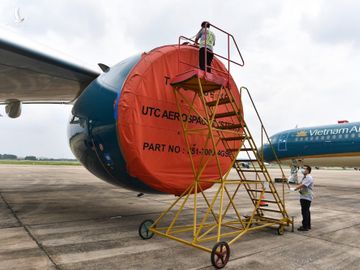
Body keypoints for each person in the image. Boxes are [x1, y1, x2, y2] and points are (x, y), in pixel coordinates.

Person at [290, 165, 314, 231]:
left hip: (306, 197)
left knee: (304, 211)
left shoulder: (309, 177)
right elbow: (300, 183)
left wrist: (295, 189)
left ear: (308, 170)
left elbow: (303, 185)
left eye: (304, 169)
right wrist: (294, 175)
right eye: (302, 168)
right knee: (306, 211)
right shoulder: (305, 177)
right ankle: (307, 225)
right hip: (304, 196)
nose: (303, 170)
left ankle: (305, 226)